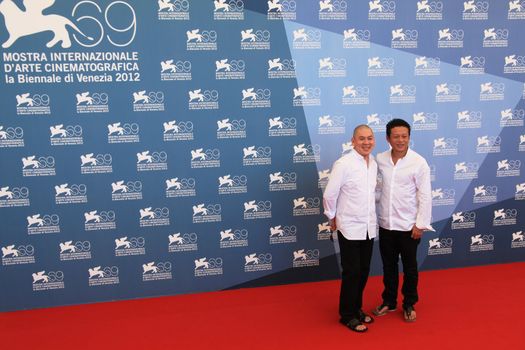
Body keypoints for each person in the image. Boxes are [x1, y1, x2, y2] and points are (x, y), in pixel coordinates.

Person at [373, 118, 433, 322]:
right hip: (386, 224)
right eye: (396, 136)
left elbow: (425, 195)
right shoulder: (379, 159)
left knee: (410, 267)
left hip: (409, 226)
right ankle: (389, 301)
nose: (400, 140)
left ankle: (409, 303)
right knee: (388, 266)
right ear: (388, 138)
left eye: (404, 136)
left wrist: (420, 224)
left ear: (409, 137)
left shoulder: (419, 162)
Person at [323, 125, 377, 333]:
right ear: (353, 141)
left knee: (363, 271)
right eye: (361, 139)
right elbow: (329, 194)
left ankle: (357, 308)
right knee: (352, 272)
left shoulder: (372, 163)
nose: (366, 142)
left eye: (370, 138)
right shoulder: (344, 163)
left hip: (368, 226)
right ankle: (346, 315)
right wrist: (332, 217)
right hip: (349, 226)